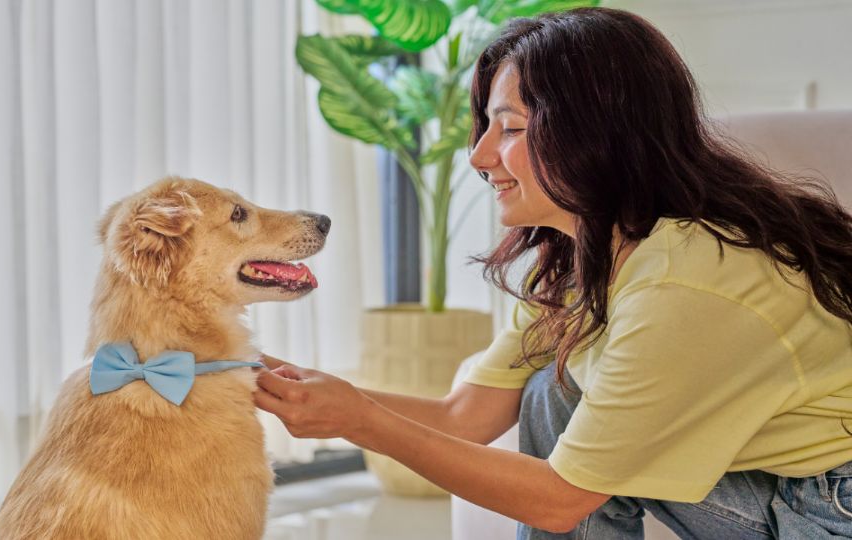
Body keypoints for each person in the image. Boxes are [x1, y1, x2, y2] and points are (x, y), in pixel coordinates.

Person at [254, 7, 852, 538]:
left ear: (595, 134)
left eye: (510, 128)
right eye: (487, 126)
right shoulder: (583, 257)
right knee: (553, 387)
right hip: (773, 481)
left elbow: (562, 499)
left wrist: (360, 422)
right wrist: (296, 388)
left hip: (830, 508)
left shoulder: (686, 280)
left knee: (562, 409)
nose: (480, 155)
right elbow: (465, 417)